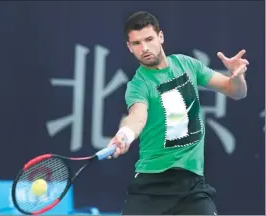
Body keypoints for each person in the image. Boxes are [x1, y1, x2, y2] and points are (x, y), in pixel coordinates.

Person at [107, 11, 249, 215]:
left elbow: (236, 92)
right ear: (129, 47)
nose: (145, 48)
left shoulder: (186, 64)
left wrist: (236, 77)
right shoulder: (138, 85)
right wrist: (125, 135)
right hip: (150, 184)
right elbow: (137, 116)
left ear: (161, 37)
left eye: (149, 39)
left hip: (192, 186)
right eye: (137, 43)